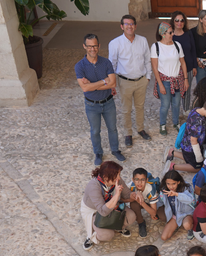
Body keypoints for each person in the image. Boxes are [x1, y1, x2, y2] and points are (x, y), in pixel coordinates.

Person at [75, 34, 123, 166]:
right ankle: (98, 153)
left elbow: (113, 84)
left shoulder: (106, 62)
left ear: (99, 46)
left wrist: (92, 85)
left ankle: (115, 150)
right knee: (95, 130)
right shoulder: (79, 66)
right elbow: (84, 88)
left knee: (112, 128)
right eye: (89, 46)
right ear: (84, 46)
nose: (92, 49)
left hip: (108, 102)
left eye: (95, 46)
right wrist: (103, 81)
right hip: (91, 105)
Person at [108, 15, 152, 148]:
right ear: (122, 26)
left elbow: (147, 59)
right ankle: (128, 133)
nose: (129, 26)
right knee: (126, 109)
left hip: (141, 80)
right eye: (126, 24)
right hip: (124, 82)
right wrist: (112, 83)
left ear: (135, 26)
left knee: (140, 107)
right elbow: (112, 64)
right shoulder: (115, 43)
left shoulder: (143, 40)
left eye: (132, 24)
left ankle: (140, 129)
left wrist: (148, 77)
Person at [81, 161, 139, 250]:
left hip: (112, 205)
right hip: (96, 211)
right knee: (107, 235)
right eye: (116, 175)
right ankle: (92, 237)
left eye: (119, 174)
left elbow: (127, 194)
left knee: (131, 216)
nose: (119, 178)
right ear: (106, 177)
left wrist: (135, 195)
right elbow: (103, 211)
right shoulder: (93, 186)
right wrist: (116, 195)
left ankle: (118, 227)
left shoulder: (117, 180)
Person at [163, 97, 206, 174]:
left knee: (189, 158)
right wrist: (198, 157)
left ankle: (172, 153)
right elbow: (193, 140)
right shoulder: (198, 121)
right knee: (197, 167)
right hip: (191, 148)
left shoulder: (196, 109)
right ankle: (172, 167)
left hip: (186, 143)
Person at [151, 21, 189, 136]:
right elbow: (155, 67)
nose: (172, 34)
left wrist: (186, 79)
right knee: (165, 105)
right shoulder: (156, 46)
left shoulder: (177, 45)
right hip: (164, 81)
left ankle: (176, 123)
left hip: (177, 80)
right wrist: (160, 84)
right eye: (170, 32)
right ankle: (162, 124)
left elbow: (182, 62)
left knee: (177, 104)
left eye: (172, 32)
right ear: (163, 34)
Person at [171, 11, 198, 118]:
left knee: (187, 89)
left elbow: (193, 50)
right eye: (177, 20)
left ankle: (186, 109)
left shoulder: (189, 34)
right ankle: (175, 110)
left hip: (189, 67)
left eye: (182, 20)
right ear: (173, 21)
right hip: (174, 69)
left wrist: (195, 66)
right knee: (175, 91)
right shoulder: (169, 35)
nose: (179, 22)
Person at [157, 170, 195, 241]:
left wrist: (177, 194)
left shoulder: (186, 187)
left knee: (187, 225)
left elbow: (190, 199)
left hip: (187, 214)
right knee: (164, 237)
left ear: (178, 182)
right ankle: (178, 223)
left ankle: (191, 229)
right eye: (168, 184)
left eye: (173, 184)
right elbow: (160, 201)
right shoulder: (164, 190)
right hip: (175, 215)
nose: (171, 186)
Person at [128, 168, 160, 238]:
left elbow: (153, 213)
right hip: (140, 203)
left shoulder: (150, 189)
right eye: (137, 180)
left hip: (150, 203)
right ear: (133, 180)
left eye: (142, 180)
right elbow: (122, 198)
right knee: (134, 204)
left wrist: (141, 202)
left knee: (161, 216)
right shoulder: (130, 186)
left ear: (147, 180)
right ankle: (141, 222)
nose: (139, 183)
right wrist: (135, 194)